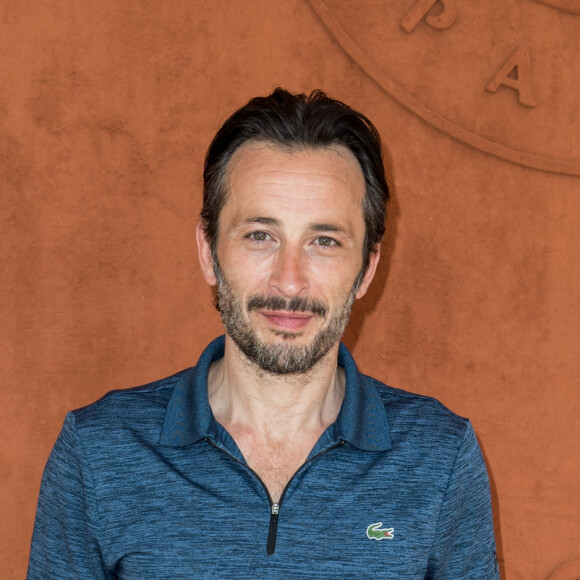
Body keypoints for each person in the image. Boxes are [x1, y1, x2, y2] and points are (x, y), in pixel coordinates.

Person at [28, 88, 499, 579]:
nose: (289, 279)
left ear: (365, 270)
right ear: (209, 251)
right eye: (260, 236)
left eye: (324, 241)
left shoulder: (439, 456)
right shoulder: (100, 451)